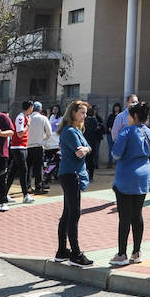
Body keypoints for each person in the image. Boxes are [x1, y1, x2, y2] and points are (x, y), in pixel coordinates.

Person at [109, 102, 150, 264]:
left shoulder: (126, 132)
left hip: (126, 176)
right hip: (143, 176)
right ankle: (137, 252)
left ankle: (121, 254)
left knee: (124, 216)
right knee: (138, 214)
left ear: (134, 116)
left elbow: (116, 153)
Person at [54, 100, 94, 267]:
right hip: (71, 174)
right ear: (73, 113)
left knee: (67, 213)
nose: (85, 115)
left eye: (85, 113)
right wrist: (86, 149)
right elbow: (80, 151)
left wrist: (87, 149)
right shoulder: (70, 131)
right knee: (74, 213)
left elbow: (87, 148)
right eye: (82, 112)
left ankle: (62, 250)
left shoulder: (75, 130)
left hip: (71, 173)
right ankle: (75, 254)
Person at [26, 101, 52, 195]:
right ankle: (38, 187)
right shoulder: (43, 118)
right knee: (38, 168)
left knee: (28, 168)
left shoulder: (27, 118)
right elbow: (49, 133)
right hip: (38, 146)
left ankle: (27, 187)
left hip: (27, 146)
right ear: (40, 109)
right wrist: (42, 138)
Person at [10, 101, 33, 202]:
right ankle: (25, 195)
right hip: (18, 147)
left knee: (13, 172)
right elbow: (19, 134)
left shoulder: (24, 117)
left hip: (21, 147)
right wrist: (28, 125)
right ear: (30, 107)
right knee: (23, 171)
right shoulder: (21, 118)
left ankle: (4, 193)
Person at [84, 105, 105, 181]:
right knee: (91, 159)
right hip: (92, 142)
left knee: (85, 159)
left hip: (85, 141)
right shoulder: (95, 121)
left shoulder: (85, 121)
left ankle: (86, 174)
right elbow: (98, 129)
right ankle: (91, 176)